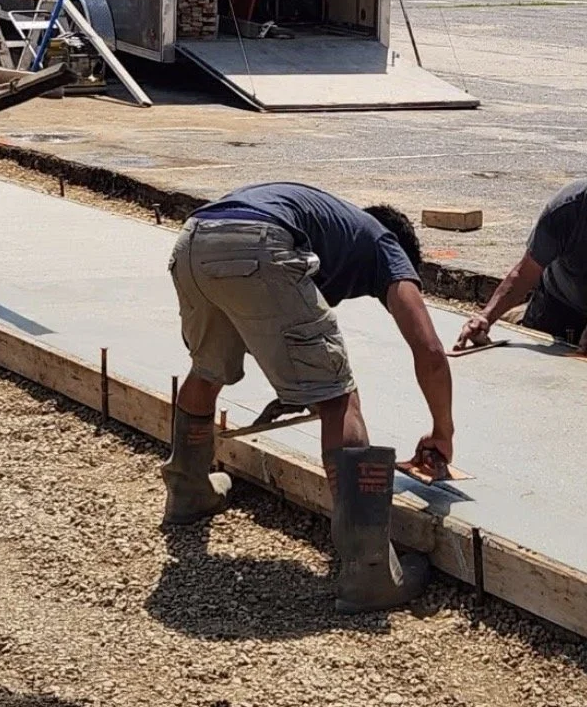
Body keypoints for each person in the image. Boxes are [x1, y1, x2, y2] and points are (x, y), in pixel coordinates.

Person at [164, 182, 454, 614]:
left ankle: (188, 491)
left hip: (194, 239)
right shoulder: (385, 245)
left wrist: (296, 386)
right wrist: (442, 430)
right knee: (340, 398)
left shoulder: (331, 231)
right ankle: (370, 572)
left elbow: (274, 324)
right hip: (257, 242)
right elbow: (429, 350)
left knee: (208, 370)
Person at [455, 156, 587, 366]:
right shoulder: (564, 210)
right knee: (535, 369)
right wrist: (485, 318)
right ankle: (519, 314)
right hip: (560, 298)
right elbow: (525, 273)